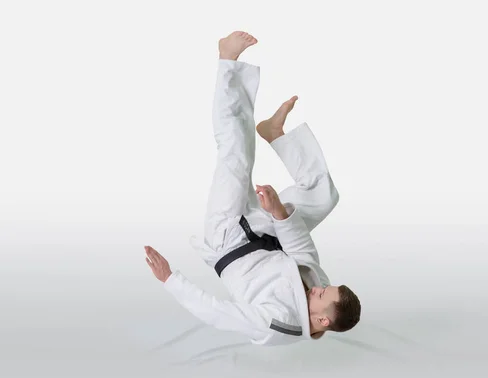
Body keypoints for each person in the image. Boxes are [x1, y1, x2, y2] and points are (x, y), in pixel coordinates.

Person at [144, 31, 361, 346]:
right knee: (324, 196)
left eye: (321, 294)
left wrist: (170, 280)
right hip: (266, 230)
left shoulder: (276, 324)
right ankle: (274, 133)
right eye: (324, 288)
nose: (319, 288)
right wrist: (279, 213)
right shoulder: (321, 292)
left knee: (235, 152)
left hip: (227, 237)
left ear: (323, 320)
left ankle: (226, 62)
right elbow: (301, 249)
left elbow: (217, 312)